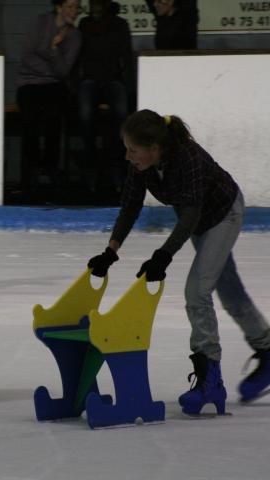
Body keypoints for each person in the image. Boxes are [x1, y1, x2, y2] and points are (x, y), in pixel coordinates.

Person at [86, 109, 270, 415]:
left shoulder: (187, 158)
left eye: (133, 150)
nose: (127, 156)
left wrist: (163, 256)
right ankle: (267, 348)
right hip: (200, 222)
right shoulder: (142, 164)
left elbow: (190, 215)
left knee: (197, 292)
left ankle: (211, 378)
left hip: (223, 214)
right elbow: (130, 205)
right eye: (126, 148)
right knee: (229, 293)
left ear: (154, 148)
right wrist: (111, 250)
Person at [15, 0, 82, 190]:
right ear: (59, 7)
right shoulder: (41, 22)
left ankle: (50, 172)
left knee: (54, 124)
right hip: (29, 83)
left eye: (77, 7)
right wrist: (50, 64)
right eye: (70, 6)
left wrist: (52, 50)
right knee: (30, 126)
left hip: (54, 85)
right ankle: (29, 176)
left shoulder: (75, 35)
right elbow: (27, 56)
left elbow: (64, 71)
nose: (74, 11)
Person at [76, 0, 134, 193]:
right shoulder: (84, 24)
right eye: (93, 4)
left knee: (121, 115)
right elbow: (78, 55)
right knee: (85, 117)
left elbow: (126, 56)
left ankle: (117, 166)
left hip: (112, 78)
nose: (95, 8)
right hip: (90, 79)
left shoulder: (119, 24)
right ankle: (91, 167)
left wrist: (129, 85)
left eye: (99, 4)